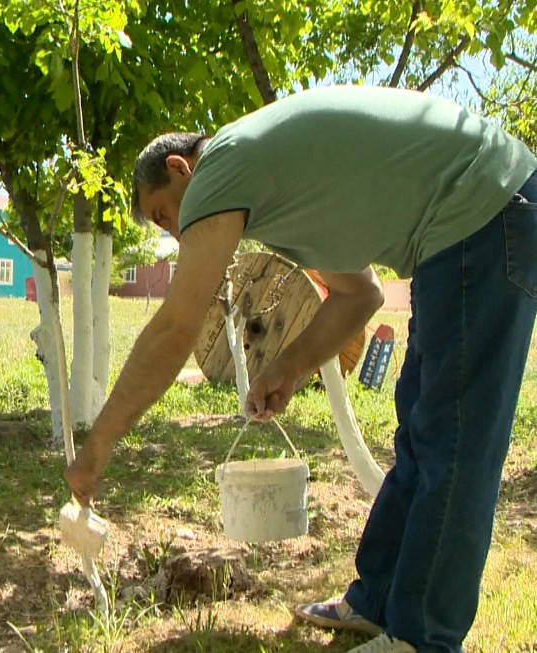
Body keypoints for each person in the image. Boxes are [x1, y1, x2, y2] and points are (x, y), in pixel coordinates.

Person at [64, 85, 537, 653]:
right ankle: (378, 601)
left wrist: (98, 444)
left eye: (166, 214)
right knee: (423, 432)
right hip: (462, 223)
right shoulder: (277, 196)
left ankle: (422, 638)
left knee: (455, 445)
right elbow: (359, 295)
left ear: (180, 168)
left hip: (483, 208)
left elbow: (174, 330)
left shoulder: (219, 168)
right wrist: (288, 367)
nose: (175, 235)